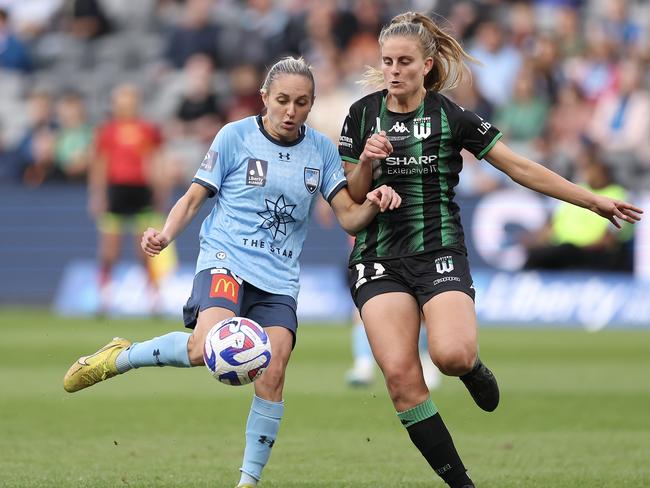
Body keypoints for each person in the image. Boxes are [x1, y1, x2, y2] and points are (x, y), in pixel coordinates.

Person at [63, 57, 401, 488]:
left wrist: (374, 201)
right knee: (202, 349)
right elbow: (193, 197)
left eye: (301, 102)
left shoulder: (320, 150)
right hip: (226, 258)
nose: (290, 111)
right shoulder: (234, 136)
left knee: (273, 372)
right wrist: (165, 235)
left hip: (279, 278)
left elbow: (349, 218)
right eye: (281, 100)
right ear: (264, 98)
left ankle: (247, 482)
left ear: (312, 104)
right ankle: (121, 357)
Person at [339, 12, 643, 488]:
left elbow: (518, 167)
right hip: (377, 257)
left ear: (427, 64)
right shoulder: (361, 115)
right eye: (387, 61)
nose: (394, 70)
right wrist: (369, 166)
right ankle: (462, 484)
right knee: (401, 379)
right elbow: (352, 196)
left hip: (437, 250)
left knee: (452, 356)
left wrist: (592, 201)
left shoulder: (450, 116)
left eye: (404, 61)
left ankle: (473, 369)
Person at [89, 83, 166, 315]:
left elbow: (156, 161)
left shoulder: (148, 130)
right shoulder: (107, 131)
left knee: (145, 249)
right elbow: (100, 165)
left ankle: (153, 298)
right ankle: (104, 297)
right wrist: (97, 195)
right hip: (116, 191)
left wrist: (160, 191)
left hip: (142, 191)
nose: (126, 104)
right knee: (109, 250)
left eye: (130, 99)